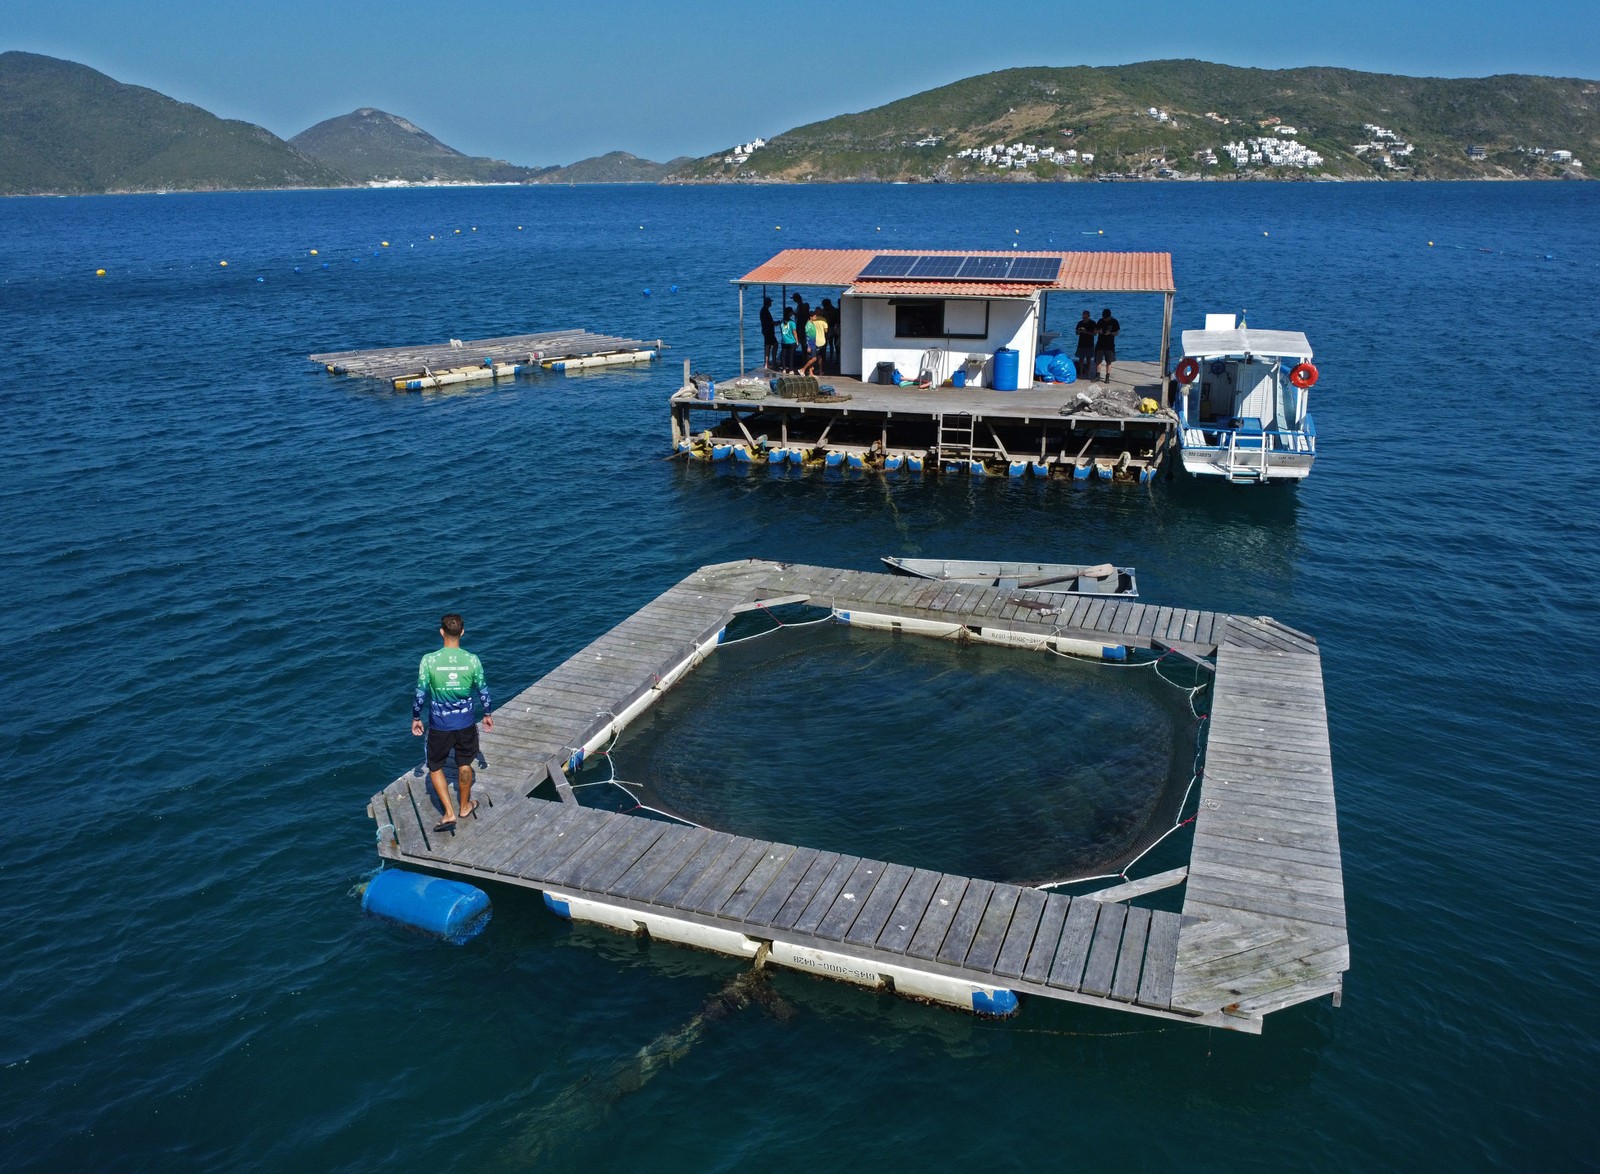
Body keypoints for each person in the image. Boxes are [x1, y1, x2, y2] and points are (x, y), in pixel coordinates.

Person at [411, 613, 493, 832]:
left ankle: (448, 813)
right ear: (462, 632)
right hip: (465, 723)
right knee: (465, 763)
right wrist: (487, 713)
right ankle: (465, 806)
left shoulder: (429, 660)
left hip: (439, 725)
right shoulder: (472, 659)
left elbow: (420, 693)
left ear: (441, 632)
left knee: (435, 766)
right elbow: (483, 690)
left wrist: (416, 717)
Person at [1093, 307, 1120, 382]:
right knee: (1098, 360)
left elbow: (1117, 332)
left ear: (1109, 316)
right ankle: (1097, 375)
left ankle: (1107, 377)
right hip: (1100, 343)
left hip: (1109, 344)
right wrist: (1099, 331)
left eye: (1106, 318)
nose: (1104, 319)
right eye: (1103, 317)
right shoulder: (1100, 321)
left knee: (1109, 361)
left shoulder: (1114, 322)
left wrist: (1110, 333)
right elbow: (1095, 331)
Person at [801, 309, 827, 375]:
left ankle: (810, 373)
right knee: (814, 358)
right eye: (815, 316)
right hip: (811, 343)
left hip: (814, 342)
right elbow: (807, 336)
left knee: (814, 357)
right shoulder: (808, 325)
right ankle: (803, 369)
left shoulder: (812, 323)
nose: (816, 318)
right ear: (811, 317)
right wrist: (808, 346)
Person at [1074, 310, 1097, 378]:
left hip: (1089, 344)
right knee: (1081, 359)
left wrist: (1086, 332)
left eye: (1086, 317)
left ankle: (1088, 373)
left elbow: (1095, 333)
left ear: (1089, 316)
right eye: (1083, 317)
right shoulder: (1080, 323)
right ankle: (1081, 373)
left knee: (1089, 359)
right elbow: (1076, 333)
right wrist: (1079, 331)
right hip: (1081, 344)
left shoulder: (1092, 323)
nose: (1084, 318)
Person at [819, 298, 840, 371]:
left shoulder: (832, 310)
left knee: (833, 344)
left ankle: (833, 358)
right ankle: (832, 358)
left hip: (832, 328)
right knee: (832, 344)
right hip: (830, 328)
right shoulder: (833, 310)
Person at [759, 296, 777, 369]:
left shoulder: (764, 310)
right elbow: (768, 322)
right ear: (768, 303)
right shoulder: (765, 311)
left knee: (768, 345)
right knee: (775, 344)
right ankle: (773, 362)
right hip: (768, 331)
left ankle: (767, 364)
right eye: (770, 302)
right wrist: (774, 323)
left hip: (766, 330)